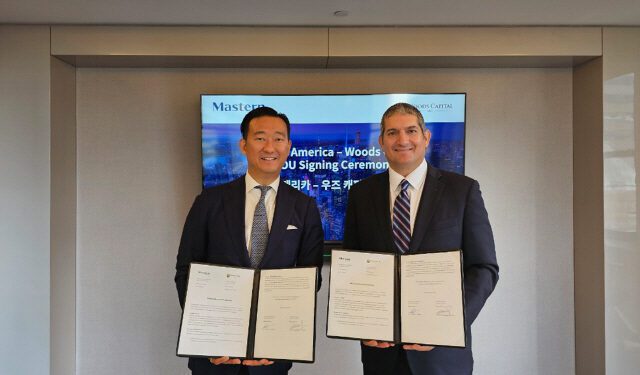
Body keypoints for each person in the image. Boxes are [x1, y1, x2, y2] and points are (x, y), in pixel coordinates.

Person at [343, 103, 499, 374]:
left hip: (442, 356)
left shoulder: (462, 190)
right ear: (381, 141)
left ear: (426, 137)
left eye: (411, 131)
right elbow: (353, 267)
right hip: (381, 355)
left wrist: (449, 325)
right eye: (392, 133)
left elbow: (484, 268)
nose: (402, 140)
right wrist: (361, 324)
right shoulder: (361, 194)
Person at [175, 106, 324, 375]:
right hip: (216, 357)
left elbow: (309, 279)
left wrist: (276, 339)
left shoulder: (305, 207)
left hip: (271, 356)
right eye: (260, 138)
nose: (270, 146)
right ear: (243, 145)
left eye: (278, 138)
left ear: (288, 146)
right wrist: (209, 336)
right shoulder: (209, 202)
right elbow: (186, 271)